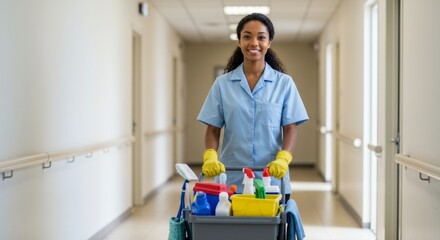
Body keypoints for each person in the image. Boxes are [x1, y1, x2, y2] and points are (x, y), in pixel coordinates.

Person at [197, 13, 308, 200]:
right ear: (239, 41)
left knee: (271, 229)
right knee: (233, 229)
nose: (254, 42)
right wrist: (210, 155)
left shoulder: (284, 84)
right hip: (232, 179)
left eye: (261, 37)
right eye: (247, 36)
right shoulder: (222, 84)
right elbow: (213, 129)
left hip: (272, 180)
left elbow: (290, 128)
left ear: (269, 43)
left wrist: (284, 158)